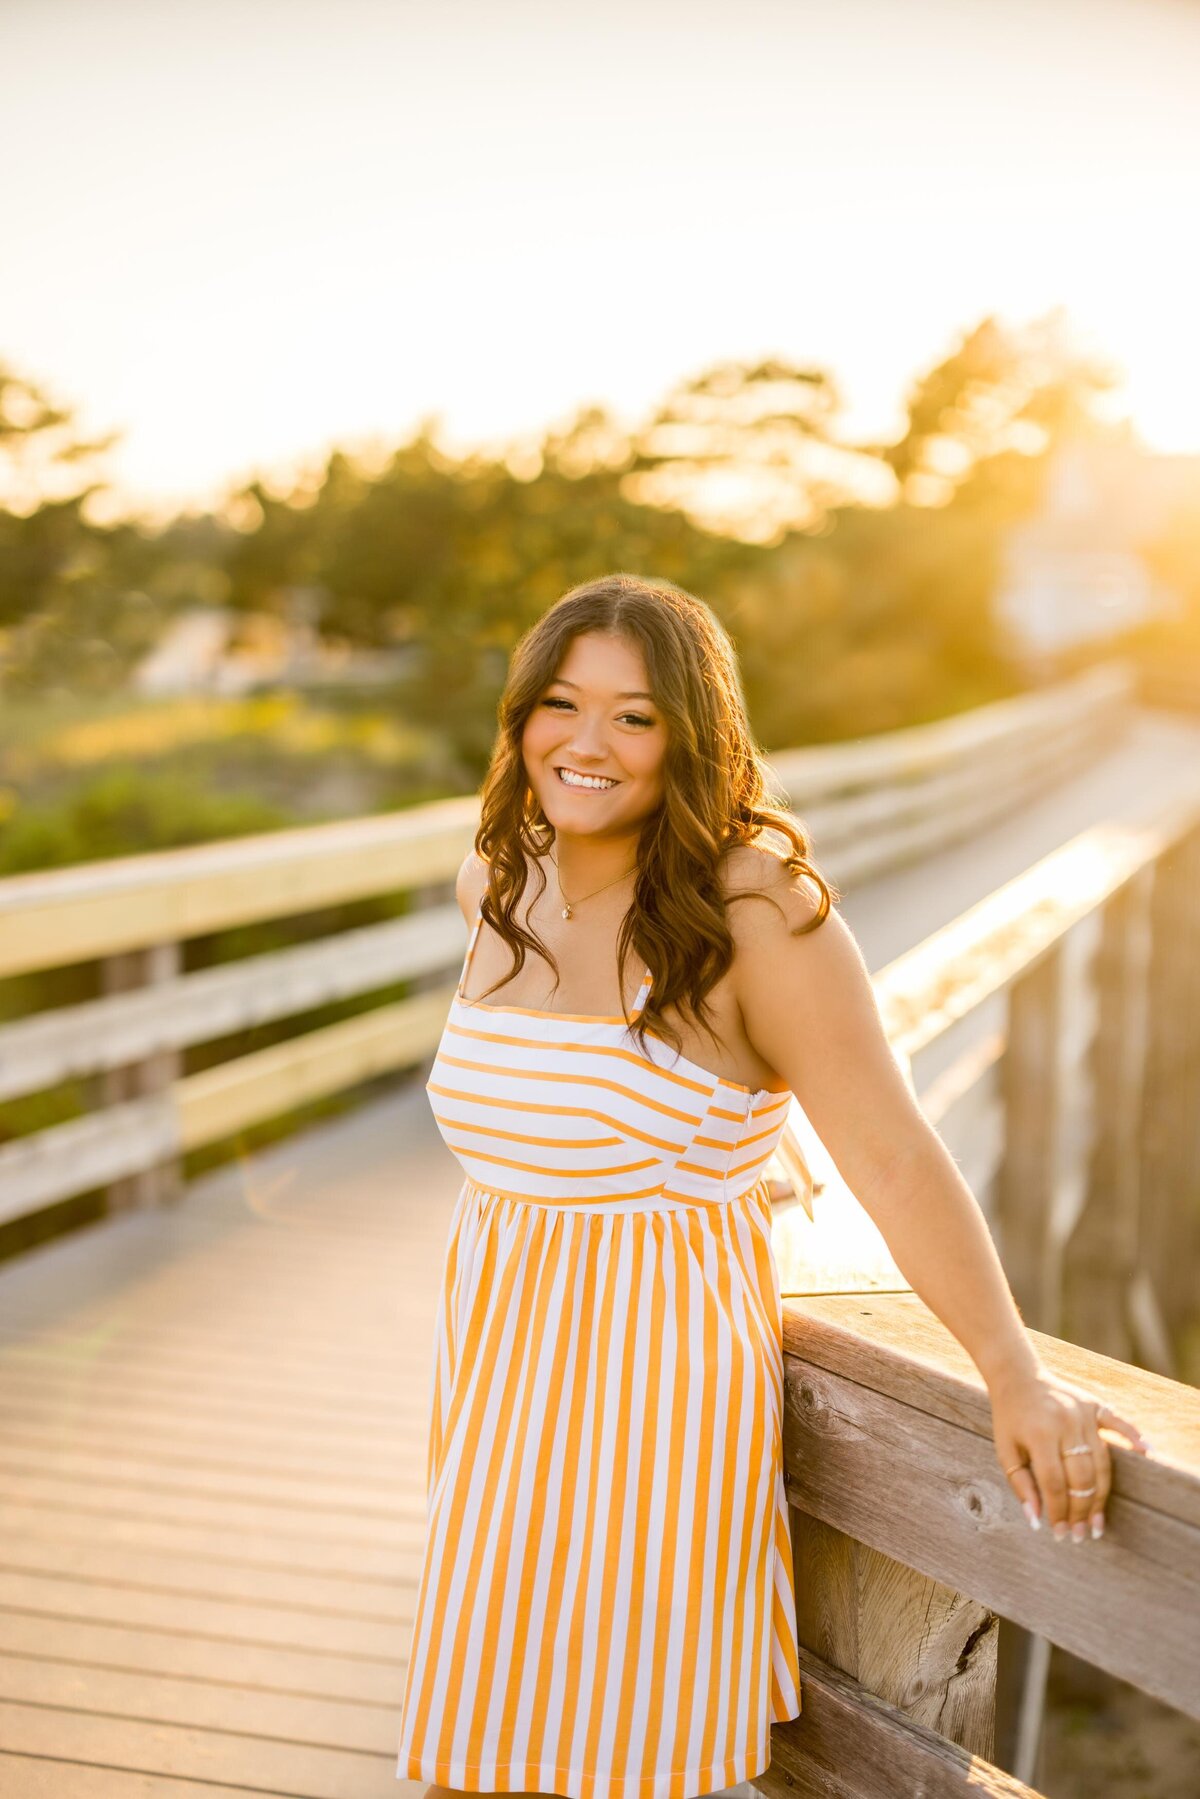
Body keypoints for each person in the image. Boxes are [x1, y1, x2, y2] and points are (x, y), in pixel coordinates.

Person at [396, 573, 1149, 1799]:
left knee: (619, 1760)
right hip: (494, 1389)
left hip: (651, 1405)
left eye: (635, 716)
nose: (587, 743)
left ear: (694, 734)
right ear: (521, 712)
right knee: (479, 1759)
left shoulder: (753, 907)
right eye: (561, 703)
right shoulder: (498, 880)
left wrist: (1011, 1367)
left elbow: (894, 1152)